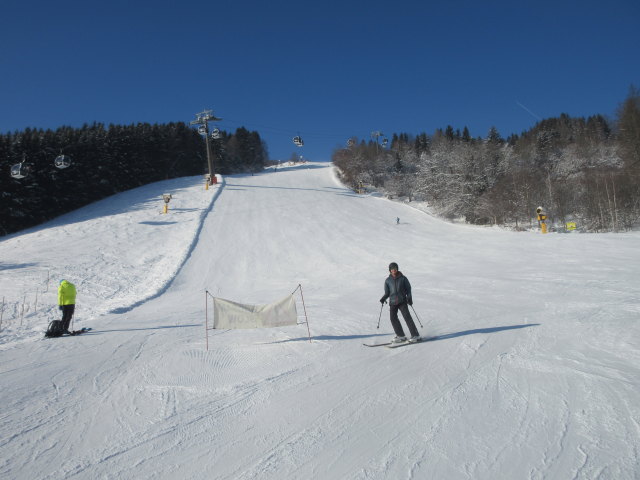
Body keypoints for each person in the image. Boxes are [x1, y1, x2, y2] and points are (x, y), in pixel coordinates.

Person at [379, 262, 420, 343]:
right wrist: (383, 298)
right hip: (393, 302)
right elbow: (387, 293)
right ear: (390, 270)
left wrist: (409, 298)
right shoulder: (387, 281)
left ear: (397, 269)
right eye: (392, 269)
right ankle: (401, 336)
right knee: (393, 318)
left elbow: (408, 289)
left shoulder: (403, 278)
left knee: (407, 317)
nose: (394, 270)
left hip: (402, 301)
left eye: (395, 268)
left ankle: (415, 335)